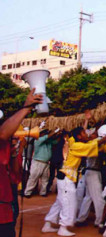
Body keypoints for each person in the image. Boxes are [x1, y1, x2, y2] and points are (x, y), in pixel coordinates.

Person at [42, 120, 106, 236]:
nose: (86, 134)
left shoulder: (73, 141)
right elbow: (95, 144)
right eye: (84, 133)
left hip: (64, 177)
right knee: (69, 202)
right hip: (66, 178)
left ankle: (47, 224)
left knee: (60, 202)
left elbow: (86, 141)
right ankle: (63, 227)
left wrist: (88, 125)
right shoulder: (77, 145)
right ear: (79, 136)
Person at [0, 89, 43, 237]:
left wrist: (13, 154)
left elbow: (14, 176)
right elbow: (3, 134)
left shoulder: (6, 149)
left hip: (5, 210)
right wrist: (26, 108)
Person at [24, 123, 58, 197]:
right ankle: (27, 193)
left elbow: (56, 141)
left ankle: (43, 192)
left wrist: (58, 133)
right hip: (37, 162)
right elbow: (48, 137)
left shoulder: (48, 142)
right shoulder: (37, 140)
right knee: (33, 178)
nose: (45, 134)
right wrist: (54, 131)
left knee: (45, 179)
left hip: (45, 163)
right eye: (44, 133)